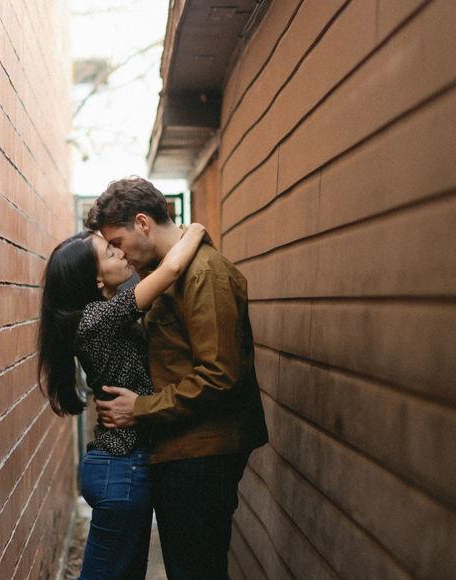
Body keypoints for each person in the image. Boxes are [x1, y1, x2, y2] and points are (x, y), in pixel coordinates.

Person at [84, 176, 269, 580]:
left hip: (202, 452)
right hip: (178, 446)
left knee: (195, 571)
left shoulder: (204, 274)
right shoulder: (161, 272)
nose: (118, 253)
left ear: (143, 223)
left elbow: (220, 375)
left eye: (117, 241)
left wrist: (140, 408)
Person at [37, 222, 210, 580]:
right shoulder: (98, 318)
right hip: (122, 469)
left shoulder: (103, 313)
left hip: (122, 467)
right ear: (97, 279)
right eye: (109, 251)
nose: (120, 251)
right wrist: (195, 230)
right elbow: (171, 270)